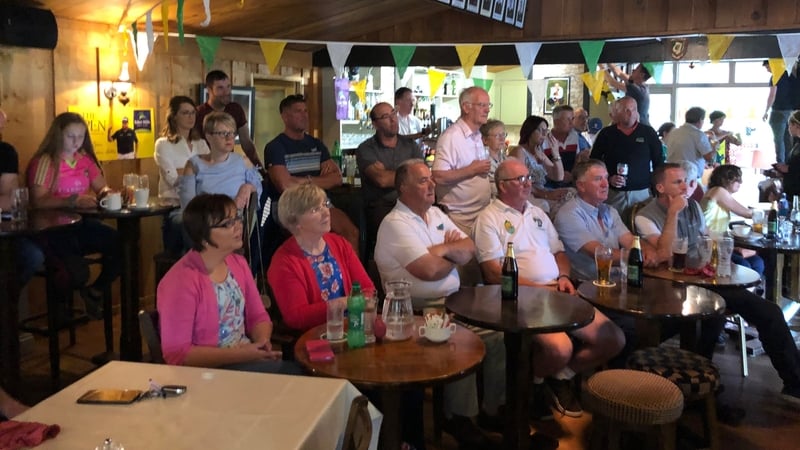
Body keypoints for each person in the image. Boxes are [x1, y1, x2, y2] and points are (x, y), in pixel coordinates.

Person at [634, 163, 800, 401]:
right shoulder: (645, 216)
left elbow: (704, 241)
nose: (686, 187)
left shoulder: (693, 207)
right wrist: (672, 214)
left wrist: (719, 262)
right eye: (677, 182)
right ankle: (701, 383)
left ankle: (793, 382)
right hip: (671, 284)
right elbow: (663, 254)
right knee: (718, 311)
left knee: (767, 311)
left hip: (704, 277)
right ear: (660, 187)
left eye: (686, 181)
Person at [474, 159, 625, 418]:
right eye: (520, 179)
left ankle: (558, 378)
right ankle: (533, 389)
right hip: (520, 298)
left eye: (528, 177)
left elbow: (559, 252)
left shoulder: (537, 212)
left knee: (613, 338)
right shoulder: (489, 218)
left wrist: (564, 277)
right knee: (560, 348)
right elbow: (493, 274)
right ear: (502, 185)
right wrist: (540, 287)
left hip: (558, 290)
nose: (527, 183)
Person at [375, 159, 502, 448]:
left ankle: (492, 410)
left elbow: (469, 248)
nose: (432, 184)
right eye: (423, 181)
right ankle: (459, 418)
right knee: (465, 342)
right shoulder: (395, 224)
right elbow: (428, 271)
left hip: (453, 303)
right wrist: (451, 258)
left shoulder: (435, 214)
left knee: (497, 336)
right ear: (403, 188)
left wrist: (442, 250)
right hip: (417, 312)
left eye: (431, 179)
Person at [157, 193, 298, 374]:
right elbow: (178, 354)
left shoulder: (237, 263)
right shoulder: (180, 281)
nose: (238, 226)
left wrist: (262, 342)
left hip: (246, 359)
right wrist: (244, 355)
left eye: (237, 219)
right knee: (298, 377)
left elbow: (258, 316)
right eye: (227, 224)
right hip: (209, 373)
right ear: (203, 236)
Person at [26, 112, 121, 318]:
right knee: (76, 272)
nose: (77, 141)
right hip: (53, 228)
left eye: (81, 136)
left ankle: (95, 292)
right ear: (58, 135)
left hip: (82, 224)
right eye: (71, 136)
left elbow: (101, 187)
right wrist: (71, 200)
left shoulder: (84, 159)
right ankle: (61, 309)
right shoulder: (45, 161)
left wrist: (111, 194)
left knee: (123, 244)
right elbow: (38, 201)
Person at [268, 183, 374, 331]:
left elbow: (368, 289)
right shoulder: (284, 262)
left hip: (352, 327)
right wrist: (343, 304)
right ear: (295, 221)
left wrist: (349, 304)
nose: (326, 212)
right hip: (313, 337)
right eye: (315, 209)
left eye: (325, 205)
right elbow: (296, 317)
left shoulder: (339, 243)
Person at [263, 94, 358, 255]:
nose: (304, 115)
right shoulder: (275, 147)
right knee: (318, 234)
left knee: (351, 232)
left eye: (305, 111)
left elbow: (336, 178)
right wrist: (320, 180)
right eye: (298, 111)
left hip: (321, 202)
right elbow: (285, 185)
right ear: (285, 117)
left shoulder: (316, 144)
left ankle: (351, 278)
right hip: (291, 206)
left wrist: (303, 180)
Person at [355, 102, 421, 247]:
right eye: (386, 117)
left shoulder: (410, 145)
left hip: (412, 204)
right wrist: (410, 174)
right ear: (375, 124)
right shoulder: (366, 149)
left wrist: (389, 173)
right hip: (382, 206)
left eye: (393, 113)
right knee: (401, 236)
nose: (393, 119)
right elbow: (382, 180)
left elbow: (422, 176)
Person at [431, 86, 493, 235]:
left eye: (488, 105)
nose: (487, 110)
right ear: (466, 107)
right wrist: (471, 170)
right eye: (482, 105)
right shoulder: (451, 137)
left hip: (480, 214)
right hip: (460, 219)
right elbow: (438, 176)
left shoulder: (477, 134)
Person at [589, 96, 663, 220]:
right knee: (613, 228)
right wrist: (608, 178)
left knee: (642, 228)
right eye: (625, 110)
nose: (630, 113)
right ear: (617, 112)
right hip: (613, 194)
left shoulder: (648, 133)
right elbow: (594, 162)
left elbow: (659, 163)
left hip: (642, 194)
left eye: (633, 109)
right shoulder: (606, 134)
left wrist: (658, 189)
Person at [154, 95, 210, 255]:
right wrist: (197, 171)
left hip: (201, 206)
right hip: (176, 208)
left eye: (193, 112)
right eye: (185, 113)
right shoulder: (163, 144)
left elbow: (210, 175)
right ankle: (195, 266)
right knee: (191, 223)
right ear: (174, 116)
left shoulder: (201, 144)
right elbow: (173, 179)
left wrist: (185, 171)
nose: (191, 117)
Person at [0, 109, 44, 284]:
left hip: (5, 232)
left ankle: (7, 307)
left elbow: (11, 200)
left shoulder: (5, 152)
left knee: (33, 256)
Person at [701, 164, 764, 275]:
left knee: (757, 262)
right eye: (737, 179)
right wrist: (767, 214)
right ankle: (743, 290)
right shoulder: (719, 191)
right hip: (710, 246)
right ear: (726, 180)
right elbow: (747, 213)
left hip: (721, 243)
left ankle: (751, 291)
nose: (741, 183)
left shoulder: (716, 192)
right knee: (745, 265)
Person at [195, 70, 263, 170]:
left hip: (228, 165)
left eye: (228, 87)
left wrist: (259, 168)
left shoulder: (236, 109)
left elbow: (246, 142)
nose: (226, 92)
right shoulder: (199, 113)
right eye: (220, 88)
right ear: (209, 90)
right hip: (205, 167)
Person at [508, 115, 572, 213]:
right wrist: (546, 194)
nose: (543, 134)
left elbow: (559, 177)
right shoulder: (519, 151)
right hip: (528, 194)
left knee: (571, 194)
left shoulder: (539, 152)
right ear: (530, 131)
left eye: (545, 131)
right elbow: (520, 181)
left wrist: (556, 153)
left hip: (543, 192)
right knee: (545, 205)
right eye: (540, 130)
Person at [541, 105, 591, 184]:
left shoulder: (575, 137)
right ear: (556, 122)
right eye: (568, 119)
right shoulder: (544, 140)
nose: (571, 122)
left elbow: (578, 161)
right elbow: (540, 168)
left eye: (572, 119)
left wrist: (572, 175)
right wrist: (560, 175)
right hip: (549, 184)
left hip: (572, 182)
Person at [666, 107, 714, 187]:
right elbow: (709, 157)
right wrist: (714, 147)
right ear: (700, 120)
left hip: (672, 174)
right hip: (690, 177)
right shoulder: (699, 135)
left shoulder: (673, 132)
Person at [762, 60, 796, 163]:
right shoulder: (790, 75)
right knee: (788, 139)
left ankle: (780, 163)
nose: (767, 70)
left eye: (768, 67)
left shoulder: (775, 77)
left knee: (778, 139)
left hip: (778, 111)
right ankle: (788, 163)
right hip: (791, 112)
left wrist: (766, 110)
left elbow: (772, 95)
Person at [774, 110, 800, 201]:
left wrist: (789, 169)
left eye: (790, 125)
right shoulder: (796, 143)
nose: (788, 128)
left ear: (796, 126)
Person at [479, 119, 508, 197]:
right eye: (497, 136)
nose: (502, 139)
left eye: (503, 134)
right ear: (485, 140)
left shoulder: (505, 159)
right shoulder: (482, 161)